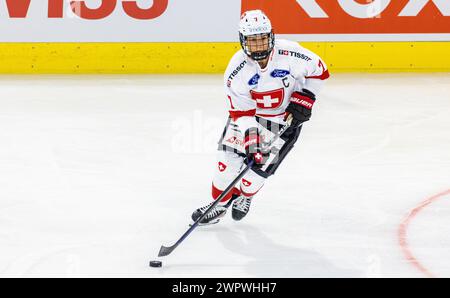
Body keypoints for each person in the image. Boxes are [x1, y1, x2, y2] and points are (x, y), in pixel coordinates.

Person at [191, 9, 329, 225]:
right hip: (251, 119)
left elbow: (320, 72)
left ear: (271, 36)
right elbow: (241, 112)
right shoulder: (236, 70)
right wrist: (252, 138)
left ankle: (245, 196)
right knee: (226, 166)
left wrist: (306, 97)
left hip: (285, 122)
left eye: (262, 39)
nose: (258, 46)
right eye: (252, 41)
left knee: (253, 178)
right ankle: (217, 206)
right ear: (242, 40)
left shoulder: (291, 53)